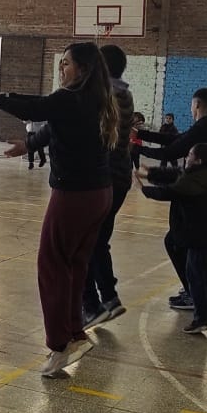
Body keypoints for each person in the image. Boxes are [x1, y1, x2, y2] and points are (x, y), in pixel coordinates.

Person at [0, 42, 118, 376]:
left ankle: (60, 345)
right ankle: (74, 333)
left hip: (75, 195)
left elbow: (35, 109)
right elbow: (51, 125)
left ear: (83, 69)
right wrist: (29, 144)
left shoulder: (69, 98)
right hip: (99, 193)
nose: (61, 68)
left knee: (51, 265)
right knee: (74, 264)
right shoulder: (94, 98)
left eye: (67, 63)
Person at [137, 142, 207, 333]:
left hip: (200, 236)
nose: (186, 157)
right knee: (195, 272)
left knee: (197, 276)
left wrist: (142, 188)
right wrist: (151, 173)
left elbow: (168, 191)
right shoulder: (201, 173)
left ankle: (203, 317)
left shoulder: (193, 182)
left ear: (198, 160)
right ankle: (201, 309)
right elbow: (176, 174)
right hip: (198, 233)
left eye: (190, 154)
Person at [82, 43, 134, 329]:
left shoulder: (103, 96)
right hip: (120, 176)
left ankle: (94, 304)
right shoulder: (124, 93)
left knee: (85, 241)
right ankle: (108, 299)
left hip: (105, 177)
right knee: (98, 240)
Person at [137, 89, 207, 168]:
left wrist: (136, 148)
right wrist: (139, 134)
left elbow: (169, 153)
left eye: (191, 104)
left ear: (197, 104)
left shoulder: (201, 128)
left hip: (199, 180)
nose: (191, 109)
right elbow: (174, 139)